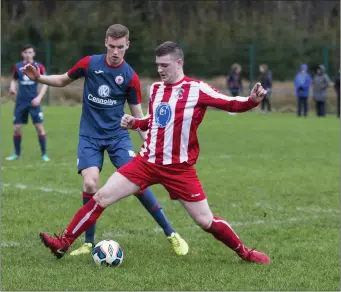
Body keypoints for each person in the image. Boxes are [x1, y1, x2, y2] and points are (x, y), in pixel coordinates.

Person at [35, 41, 270, 264]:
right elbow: (155, 120)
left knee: (205, 221)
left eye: (164, 65)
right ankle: (62, 243)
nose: (160, 69)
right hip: (146, 162)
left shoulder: (196, 89)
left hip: (179, 169)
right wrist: (135, 123)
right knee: (100, 198)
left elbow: (229, 102)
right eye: (158, 64)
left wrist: (251, 101)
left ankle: (245, 252)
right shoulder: (156, 89)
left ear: (179, 63)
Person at [22, 26, 188, 256]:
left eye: (120, 47)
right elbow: (62, 80)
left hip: (117, 137)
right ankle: (88, 243)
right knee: (90, 184)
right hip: (89, 135)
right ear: (105, 43)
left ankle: (171, 233)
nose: (115, 52)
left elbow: (138, 115)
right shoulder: (89, 63)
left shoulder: (130, 77)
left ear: (127, 45)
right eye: (112, 46)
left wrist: (151, 144)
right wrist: (39, 77)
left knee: (138, 184)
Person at [6, 44, 49, 161]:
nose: (28, 54)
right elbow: (14, 80)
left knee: (39, 127)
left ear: (33, 54)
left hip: (34, 102)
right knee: (17, 128)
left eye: (30, 52)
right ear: (22, 54)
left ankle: (44, 154)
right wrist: (12, 88)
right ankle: (17, 155)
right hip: (20, 102)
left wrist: (39, 97)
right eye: (26, 52)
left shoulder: (38, 66)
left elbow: (45, 83)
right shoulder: (18, 67)